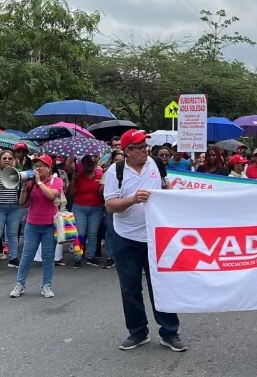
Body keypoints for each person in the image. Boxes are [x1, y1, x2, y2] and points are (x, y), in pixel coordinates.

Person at [103, 129, 187, 353]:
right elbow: (110, 205)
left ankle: (170, 332)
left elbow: (165, 187)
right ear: (128, 151)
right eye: (140, 148)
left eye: (145, 146)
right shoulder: (115, 171)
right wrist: (132, 199)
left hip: (156, 237)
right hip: (127, 238)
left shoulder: (156, 164)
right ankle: (138, 332)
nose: (145, 151)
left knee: (161, 285)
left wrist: (173, 195)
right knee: (130, 288)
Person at [10, 155, 63, 298]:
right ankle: (20, 284)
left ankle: (46, 286)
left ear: (49, 168)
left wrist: (39, 182)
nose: (37, 168)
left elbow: (52, 195)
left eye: (41, 166)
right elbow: (23, 204)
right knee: (27, 256)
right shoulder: (31, 182)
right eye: (36, 166)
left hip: (49, 225)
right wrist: (23, 189)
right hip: (32, 224)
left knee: (48, 257)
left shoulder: (56, 181)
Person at [0, 150, 21, 271]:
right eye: (4, 158)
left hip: (15, 208)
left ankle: (13, 258)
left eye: (10, 158)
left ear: (13, 160)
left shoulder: (19, 174)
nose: (7, 160)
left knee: (12, 234)